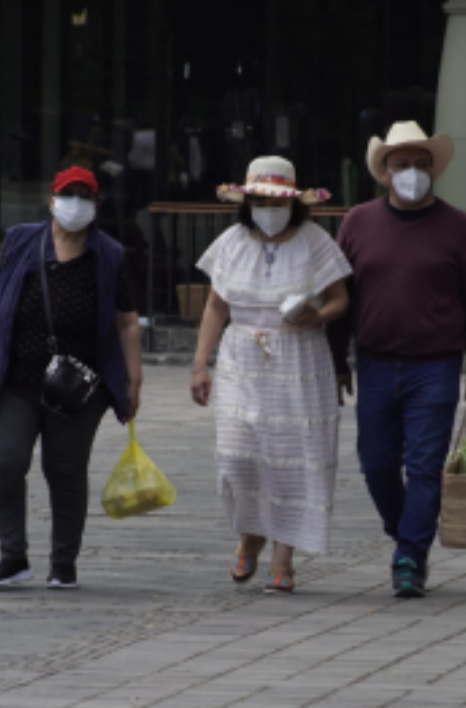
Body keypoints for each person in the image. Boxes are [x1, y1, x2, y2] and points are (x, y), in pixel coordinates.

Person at [0, 164, 143, 590]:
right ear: (51, 201)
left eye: (84, 197)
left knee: (66, 469)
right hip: (14, 376)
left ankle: (63, 563)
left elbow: (127, 322)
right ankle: (13, 557)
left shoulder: (108, 254)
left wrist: (133, 379)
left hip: (79, 385)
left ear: (96, 205)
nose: (75, 204)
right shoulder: (19, 242)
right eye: (67, 196)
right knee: (3, 462)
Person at [327, 121, 466, 598]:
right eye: (402, 165)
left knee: (424, 466)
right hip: (375, 363)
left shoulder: (459, 226)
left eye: (422, 165)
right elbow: (341, 294)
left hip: (436, 366)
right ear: (384, 172)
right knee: (376, 464)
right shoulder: (358, 221)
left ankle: (409, 557)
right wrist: (338, 359)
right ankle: (406, 531)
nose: (413, 173)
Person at [190, 156, 352, 593]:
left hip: (298, 358)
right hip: (242, 354)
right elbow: (216, 305)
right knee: (238, 454)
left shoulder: (316, 242)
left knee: (292, 459)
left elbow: (340, 298)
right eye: (259, 200)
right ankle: (251, 535)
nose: (267, 208)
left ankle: (284, 559)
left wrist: (317, 316)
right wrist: (200, 362)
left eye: (275, 200)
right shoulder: (231, 242)